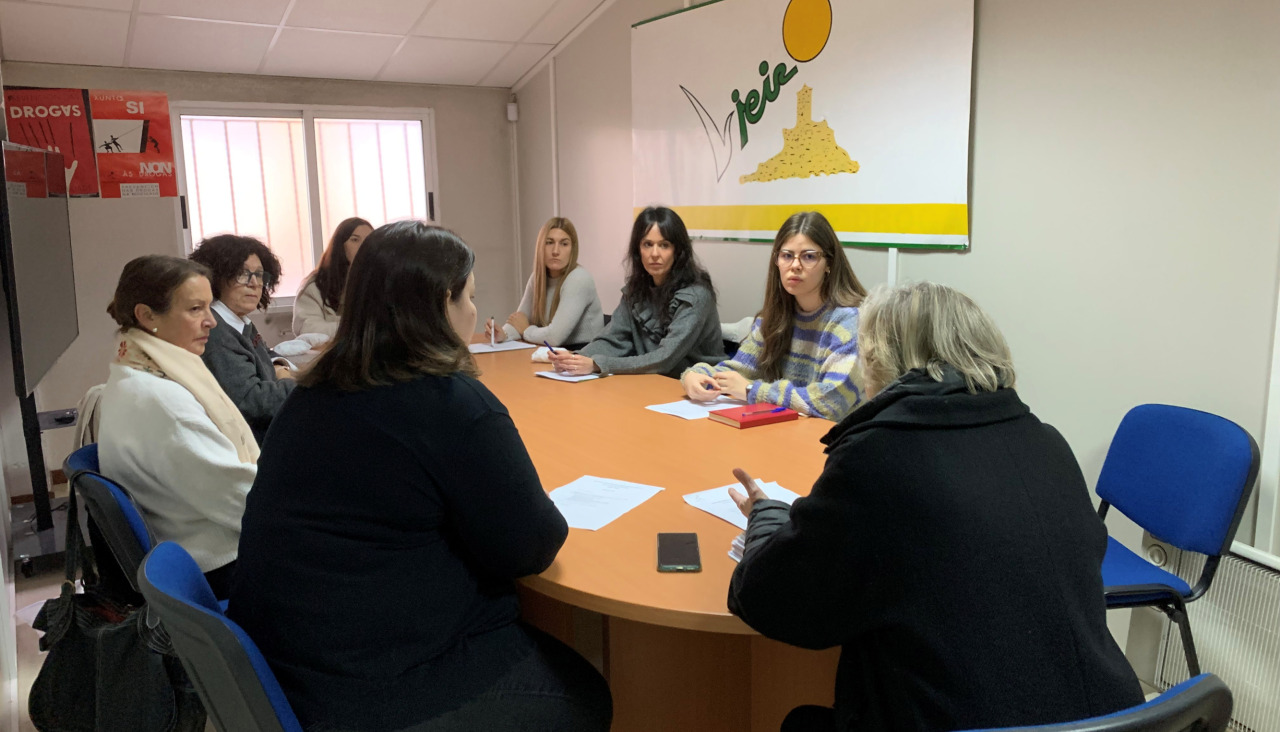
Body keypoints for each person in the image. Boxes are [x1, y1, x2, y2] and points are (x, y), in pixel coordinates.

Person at [228, 221, 612, 732]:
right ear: (440, 305)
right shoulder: (449, 404)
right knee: (586, 695)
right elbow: (532, 547)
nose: (473, 312)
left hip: (281, 667)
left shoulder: (311, 392)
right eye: (469, 297)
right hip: (378, 689)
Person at [726, 282, 1144, 732]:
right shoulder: (1047, 440)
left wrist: (766, 516)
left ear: (880, 358)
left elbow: (769, 600)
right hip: (1112, 717)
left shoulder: (879, 455)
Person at [98, 255, 258, 600]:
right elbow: (246, 504)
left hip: (190, 543)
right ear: (147, 316)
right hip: (219, 566)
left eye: (209, 307)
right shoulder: (163, 402)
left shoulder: (130, 371)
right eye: (195, 309)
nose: (211, 321)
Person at [681, 212, 866, 420]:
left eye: (809, 256)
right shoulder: (774, 318)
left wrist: (752, 391)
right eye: (787, 255)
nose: (795, 265)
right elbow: (737, 371)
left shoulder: (850, 321)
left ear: (829, 263)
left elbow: (830, 402)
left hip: (837, 436)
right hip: (787, 431)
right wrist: (695, 376)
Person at [549, 206, 724, 378]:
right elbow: (614, 339)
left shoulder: (696, 296)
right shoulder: (636, 290)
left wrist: (597, 364)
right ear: (638, 250)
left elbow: (665, 359)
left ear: (678, 251)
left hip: (699, 385)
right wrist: (576, 358)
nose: (654, 254)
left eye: (664, 245)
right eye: (647, 244)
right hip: (651, 380)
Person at [189, 234, 295, 444]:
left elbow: (265, 352)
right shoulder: (215, 330)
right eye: (242, 274)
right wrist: (297, 383)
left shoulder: (238, 321)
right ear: (216, 278)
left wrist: (279, 366)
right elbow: (251, 400)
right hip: (251, 444)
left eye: (259, 275)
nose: (254, 283)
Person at [484, 216, 604, 348]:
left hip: (583, 354)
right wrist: (503, 334)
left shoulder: (579, 278)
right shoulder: (537, 278)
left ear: (572, 249)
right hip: (555, 352)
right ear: (541, 246)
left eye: (564, 244)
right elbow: (520, 319)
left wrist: (526, 330)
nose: (556, 251)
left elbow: (554, 338)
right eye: (549, 242)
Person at [292, 216, 373, 338]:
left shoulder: (381, 282)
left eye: (368, 240)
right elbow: (308, 329)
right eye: (355, 240)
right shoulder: (316, 286)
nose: (363, 246)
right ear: (340, 245)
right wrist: (355, 328)